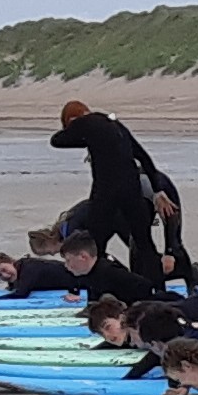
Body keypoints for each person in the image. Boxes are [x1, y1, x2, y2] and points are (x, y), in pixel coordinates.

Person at [47, 92, 169, 287]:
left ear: (71, 119)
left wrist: (80, 132)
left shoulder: (83, 122)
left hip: (106, 191)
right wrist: (157, 190)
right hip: (132, 190)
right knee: (145, 243)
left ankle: (96, 296)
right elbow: (143, 157)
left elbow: (57, 140)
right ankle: (157, 290)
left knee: (96, 244)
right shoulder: (115, 125)